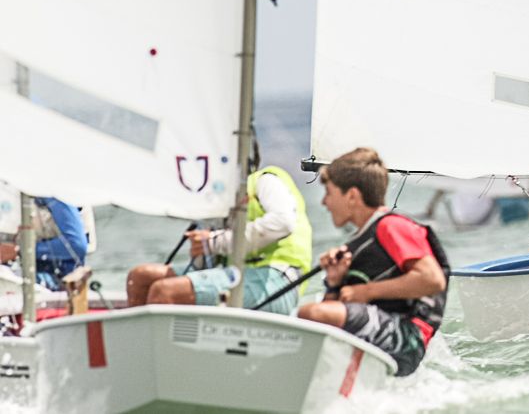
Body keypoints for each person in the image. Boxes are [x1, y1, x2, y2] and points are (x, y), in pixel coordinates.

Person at [297, 148, 449, 378]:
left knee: (311, 313)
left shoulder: (391, 226)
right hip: (386, 329)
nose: (324, 202)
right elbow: (331, 319)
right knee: (311, 318)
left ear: (352, 196)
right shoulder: (359, 240)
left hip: (408, 337)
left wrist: (365, 291)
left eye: (329, 193)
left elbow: (432, 279)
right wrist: (335, 282)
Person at [126, 149, 313, 314]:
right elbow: (206, 268)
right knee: (140, 277)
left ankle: (164, 352)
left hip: (277, 282)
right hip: (235, 275)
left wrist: (214, 242)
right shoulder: (214, 198)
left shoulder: (265, 181)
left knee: (166, 291)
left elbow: (283, 222)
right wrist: (201, 251)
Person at [0, 197, 89, 290]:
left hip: (56, 283)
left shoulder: (56, 198)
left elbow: (76, 245)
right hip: (14, 274)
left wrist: (19, 251)